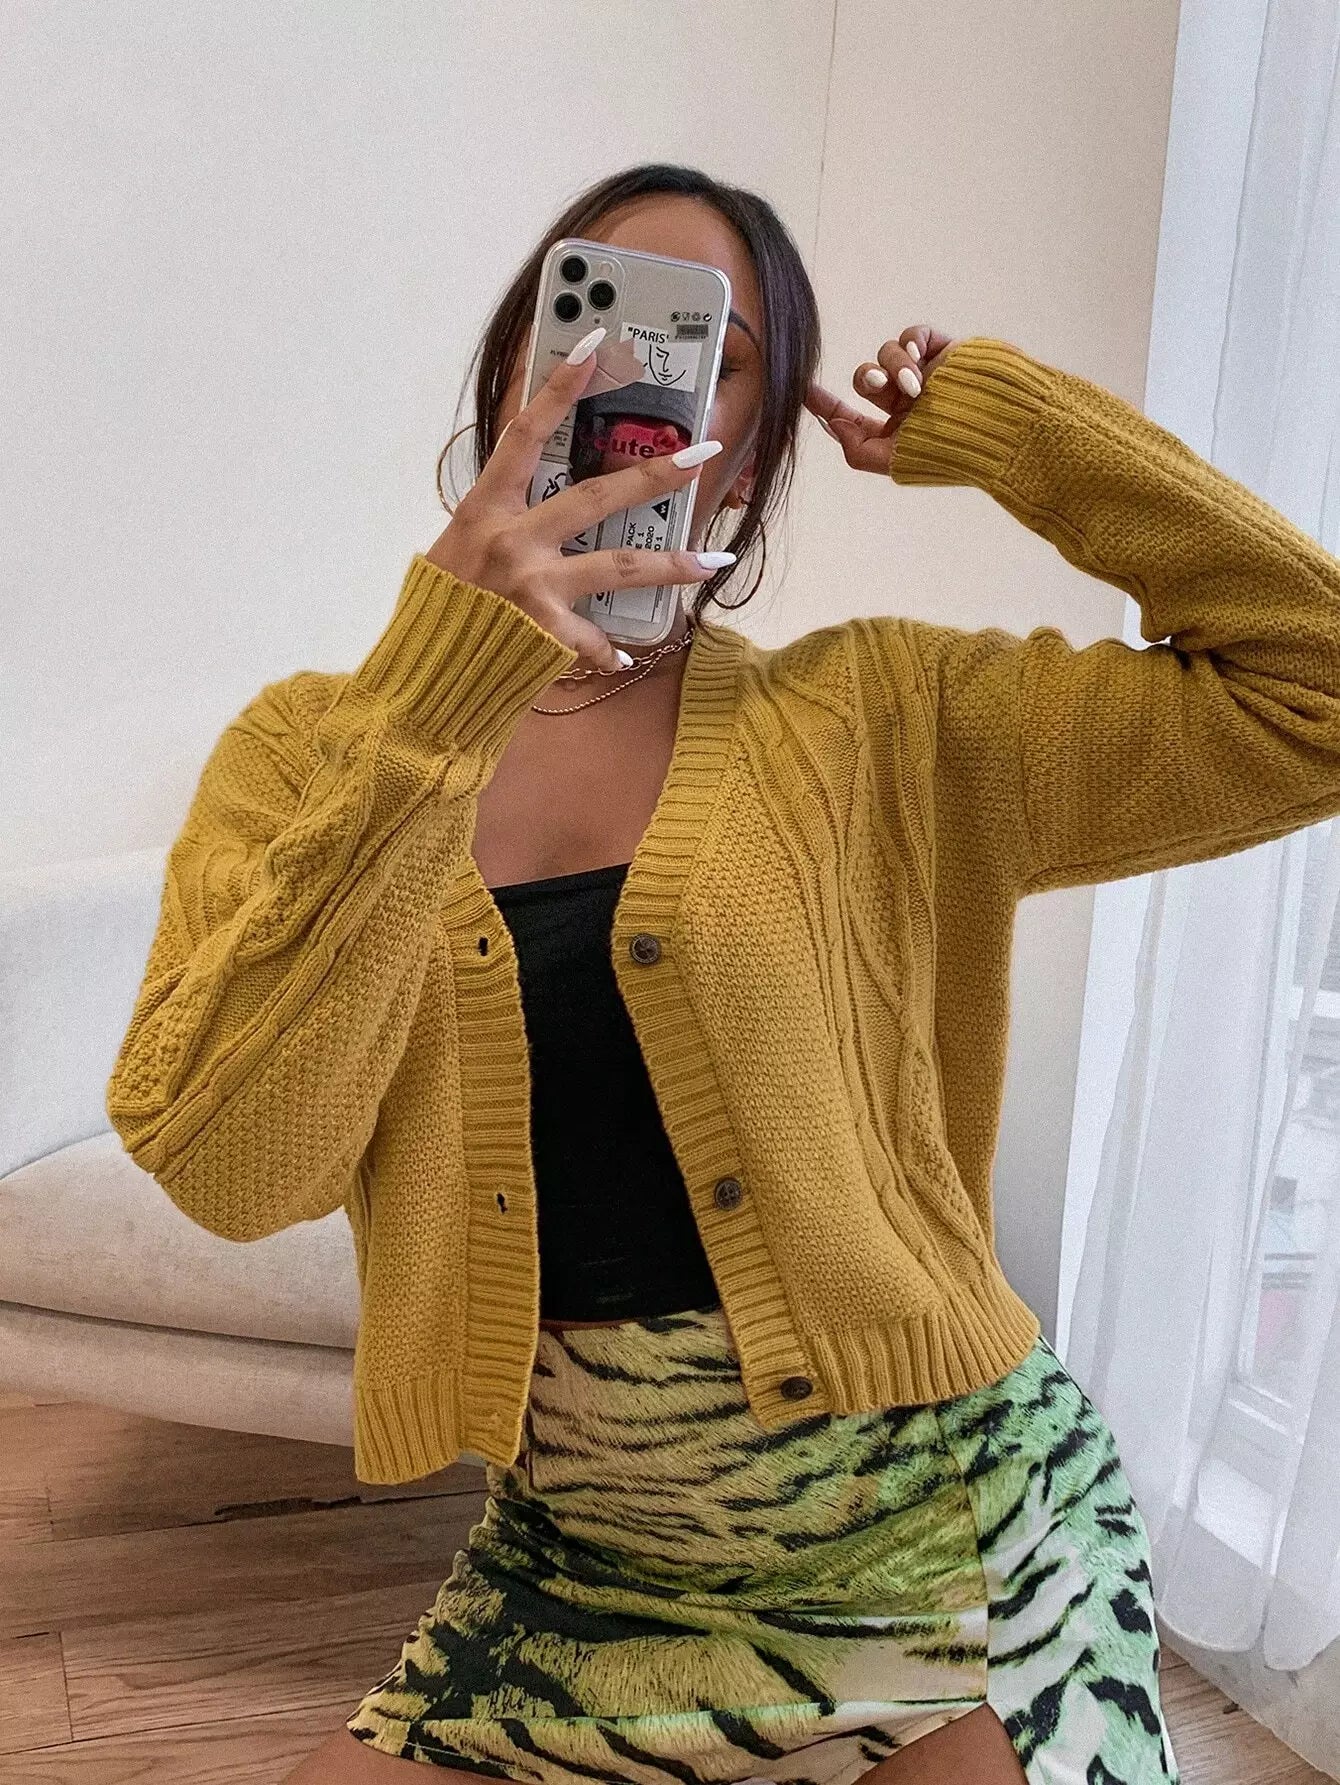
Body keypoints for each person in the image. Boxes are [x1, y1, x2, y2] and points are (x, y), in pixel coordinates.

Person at [112, 155, 1340, 1782]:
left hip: (941, 1531)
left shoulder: (880, 721)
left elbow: (1315, 689)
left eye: (708, 348)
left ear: (746, 454)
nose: (631, 375)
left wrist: (1021, 438)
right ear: (510, 376)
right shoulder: (311, 752)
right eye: (588, 316)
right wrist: (434, 694)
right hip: (584, 1565)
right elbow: (224, 1161)